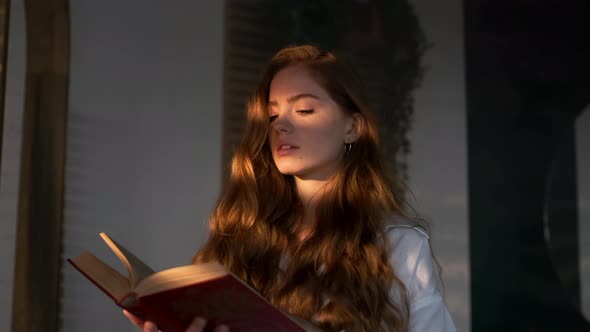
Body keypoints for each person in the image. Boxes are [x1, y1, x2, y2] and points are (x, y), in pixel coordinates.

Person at [124, 44, 457, 332]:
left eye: (304, 110)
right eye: (272, 115)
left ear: (353, 127)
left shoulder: (399, 245)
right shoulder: (242, 236)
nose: (282, 124)